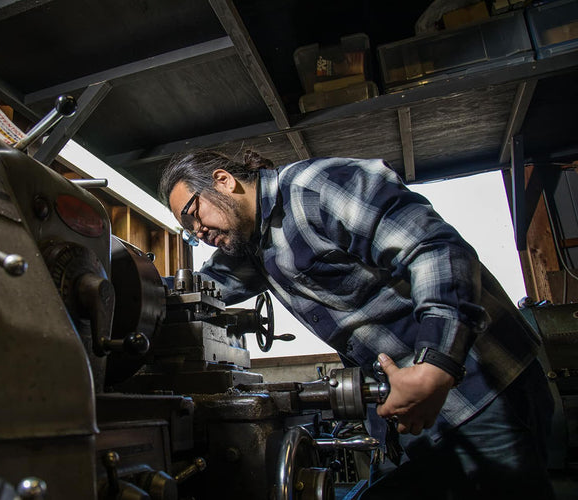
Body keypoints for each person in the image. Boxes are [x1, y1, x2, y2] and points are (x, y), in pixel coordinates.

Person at [159, 150, 554, 499]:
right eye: (190, 232)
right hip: (413, 411)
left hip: (476, 390)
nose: (200, 233)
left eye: (194, 214)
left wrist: (436, 365)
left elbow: (433, 250)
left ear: (224, 181)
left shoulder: (316, 187)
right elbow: (196, 293)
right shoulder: (249, 245)